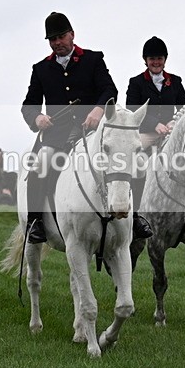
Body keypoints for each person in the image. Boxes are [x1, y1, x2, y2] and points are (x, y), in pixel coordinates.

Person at [21, 12, 118, 244]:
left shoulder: (93, 59)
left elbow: (109, 90)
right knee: (41, 164)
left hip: (92, 130)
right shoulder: (41, 69)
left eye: (61, 37)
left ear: (72, 35)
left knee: (124, 159)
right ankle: (35, 222)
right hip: (57, 135)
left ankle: (135, 217)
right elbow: (29, 105)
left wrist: (98, 110)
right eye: (52, 39)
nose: (57, 43)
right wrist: (37, 119)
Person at [125, 36, 185, 238]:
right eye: (152, 58)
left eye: (159, 58)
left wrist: (175, 121)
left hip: (170, 135)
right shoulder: (136, 82)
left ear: (165, 59)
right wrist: (154, 124)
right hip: (146, 134)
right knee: (137, 165)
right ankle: (135, 215)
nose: (156, 62)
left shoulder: (175, 82)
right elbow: (131, 108)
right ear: (145, 60)